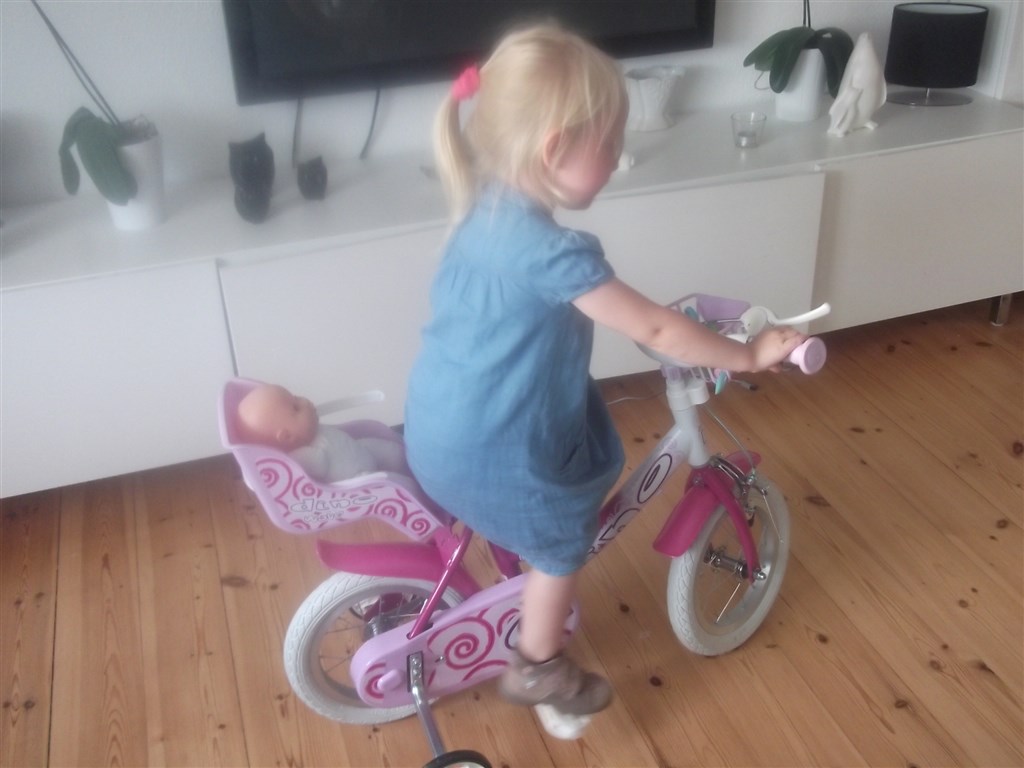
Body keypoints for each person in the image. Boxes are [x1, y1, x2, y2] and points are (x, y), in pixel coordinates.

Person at [403, 23, 806, 717]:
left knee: (543, 493)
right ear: (554, 148)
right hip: (494, 449)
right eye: (610, 143)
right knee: (563, 543)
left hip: (435, 427)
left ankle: (511, 561)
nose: (618, 157)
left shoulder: (479, 207)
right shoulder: (553, 254)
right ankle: (537, 668)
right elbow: (654, 328)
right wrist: (748, 354)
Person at [236, 383, 405, 482]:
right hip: (357, 477)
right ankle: (410, 486)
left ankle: (408, 460)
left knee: (394, 451)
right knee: (388, 483)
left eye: (296, 397)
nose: (305, 401)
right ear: (287, 436)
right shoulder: (301, 458)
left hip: (360, 449)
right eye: (296, 407)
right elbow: (261, 478)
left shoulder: (310, 432)